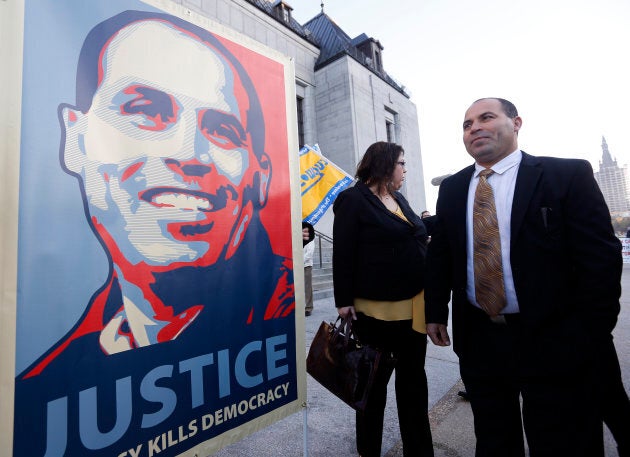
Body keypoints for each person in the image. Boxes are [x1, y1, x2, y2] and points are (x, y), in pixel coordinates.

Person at [14, 11, 297, 456]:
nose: (188, 152)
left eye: (222, 130)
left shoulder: (281, 312)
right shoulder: (33, 391)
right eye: (144, 110)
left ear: (260, 179)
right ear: (75, 138)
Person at [425, 97, 622, 457]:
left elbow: (601, 259)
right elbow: (442, 254)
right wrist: (436, 310)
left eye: (486, 118)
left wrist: (589, 331)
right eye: (467, 125)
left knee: (563, 441)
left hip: (554, 337)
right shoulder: (452, 189)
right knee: (495, 439)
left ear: (516, 123)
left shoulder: (565, 175)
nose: (474, 128)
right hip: (481, 338)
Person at [333, 141, 434, 457]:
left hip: (415, 309)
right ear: (385, 164)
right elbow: (343, 251)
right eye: (402, 163)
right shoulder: (353, 200)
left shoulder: (399, 198)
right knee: (372, 392)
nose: (405, 169)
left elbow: (413, 233)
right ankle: (369, 451)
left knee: (414, 388)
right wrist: (343, 299)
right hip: (375, 314)